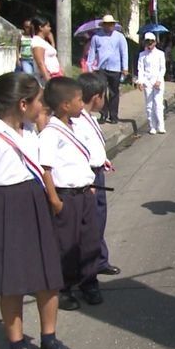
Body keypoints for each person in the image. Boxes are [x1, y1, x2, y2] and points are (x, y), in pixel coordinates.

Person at [0, 72, 75, 349]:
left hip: (34, 202)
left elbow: (42, 167)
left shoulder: (30, 131)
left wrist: (52, 200)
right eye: (38, 101)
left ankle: (49, 339)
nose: (42, 106)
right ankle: (17, 344)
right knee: (13, 283)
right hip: (6, 207)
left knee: (49, 277)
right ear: (23, 104)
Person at [38, 77, 103, 311]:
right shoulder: (51, 133)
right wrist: (55, 200)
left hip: (84, 193)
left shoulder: (76, 126)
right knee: (67, 244)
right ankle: (64, 287)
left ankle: (89, 281)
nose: (81, 104)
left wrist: (91, 183)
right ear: (65, 105)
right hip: (66, 195)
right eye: (77, 100)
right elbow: (45, 169)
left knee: (89, 240)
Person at [73, 72, 121, 277]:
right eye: (104, 96)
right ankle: (87, 271)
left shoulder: (89, 117)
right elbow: (80, 153)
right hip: (88, 177)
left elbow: (93, 146)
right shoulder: (77, 122)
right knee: (91, 224)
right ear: (96, 97)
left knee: (99, 220)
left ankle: (101, 260)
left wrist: (103, 160)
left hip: (97, 172)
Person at [87, 15, 129, 124]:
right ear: (103, 25)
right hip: (101, 68)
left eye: (111, 24)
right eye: (107, 24)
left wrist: (125, 67)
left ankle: (114, 115)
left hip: (115, 68)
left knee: (114, 92)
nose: (110, 26)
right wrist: (89, 66)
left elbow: (124, 52)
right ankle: (103, 113)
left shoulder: (119, 37)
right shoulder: (96, 37)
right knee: (101, 91)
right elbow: (92, 52)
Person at [136, 32, 167, 134]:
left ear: (155, 42)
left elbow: (162, 68)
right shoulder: (142, 55)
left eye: (151, 41)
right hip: (147, 81)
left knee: (158, 104)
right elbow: (140, 69)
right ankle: (152, 126)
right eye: (147, 42)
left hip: (157, 80)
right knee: (149, 105)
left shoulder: (160, 54)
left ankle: (160, 126)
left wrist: (158, 80)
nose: (149, 44)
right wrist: (140, 81)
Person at [30, 16, 62, 84]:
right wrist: (48, 80)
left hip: (55, 75)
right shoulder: (37, 42)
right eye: (48, 26)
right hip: (46, 77)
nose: (50, 29)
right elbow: (40, 63)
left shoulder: (44, 42)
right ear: (40, 27)